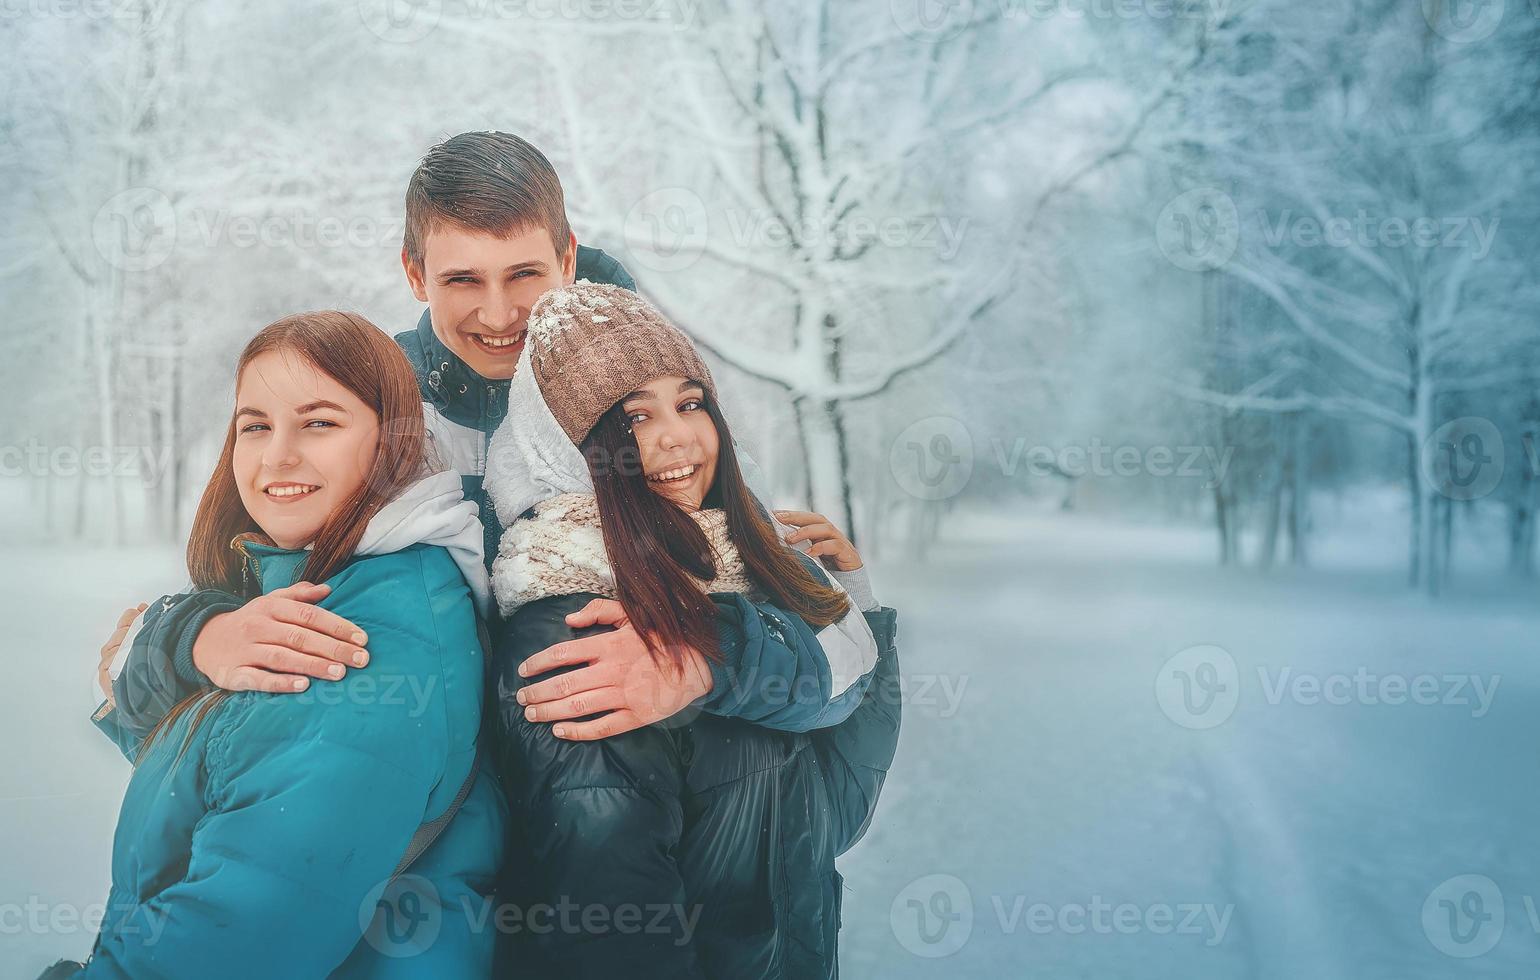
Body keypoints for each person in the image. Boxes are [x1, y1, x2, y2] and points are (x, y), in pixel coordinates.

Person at [98, 130, 877, 755]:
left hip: (662, 831)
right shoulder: (376, 420)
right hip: (450, 824)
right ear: (414, 273)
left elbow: (841, 647)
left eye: (526, 274)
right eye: (464, 280)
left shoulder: (661, 399)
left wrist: (721, 650)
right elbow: (243, 585)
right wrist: (190, 635)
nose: (501, 313)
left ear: (568, 258)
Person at [67, 312, 505, 977]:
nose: (278, 456)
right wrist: (176, 648)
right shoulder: (339, 586)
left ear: (395, 442)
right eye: (256, 425)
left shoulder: (354, 640)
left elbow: (234, 938)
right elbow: (256, 770)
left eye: (319, 422)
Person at [485, 283, 902, 978]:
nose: (677, 436)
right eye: (634, 417)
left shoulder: (744, 571)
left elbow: (836, 808)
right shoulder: (578, 625)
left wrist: (847, 595)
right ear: (568, 447)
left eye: (689, 403)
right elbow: (613, 925)